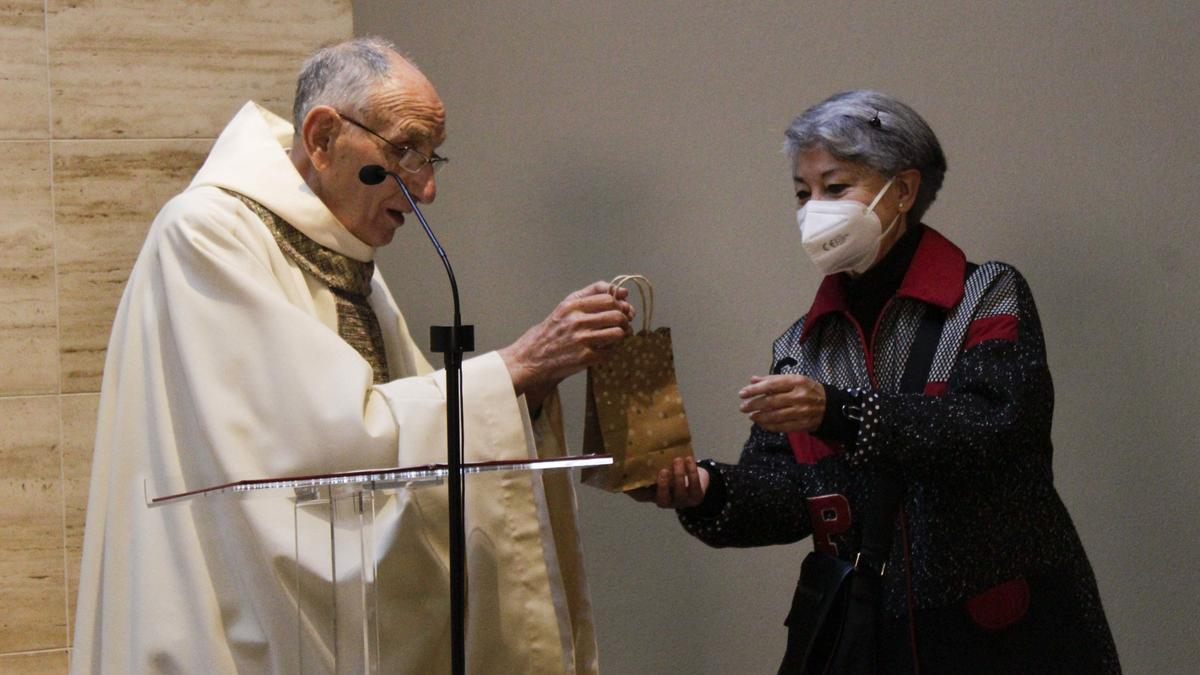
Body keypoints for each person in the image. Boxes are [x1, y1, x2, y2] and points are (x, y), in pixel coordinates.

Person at [71, 37, 631, 673]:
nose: (424, 189)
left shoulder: (345, 254)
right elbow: (316, 447)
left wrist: (530, 383)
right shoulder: (207, 236)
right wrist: (516, 366)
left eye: (432, 157)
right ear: (322, 136)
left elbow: (407, 437)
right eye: (404, 151)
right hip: (229, 619)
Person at [639, 90, 1120, 673]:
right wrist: (705, 490)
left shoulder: (986, 295)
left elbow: (992, 430)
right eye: (802, 193)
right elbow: (792, 498)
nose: (813, 208)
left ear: (905, 191)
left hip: (1003, 633)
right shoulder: (800, 347)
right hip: (877, 639)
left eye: (836, 187)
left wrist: (838, 412)